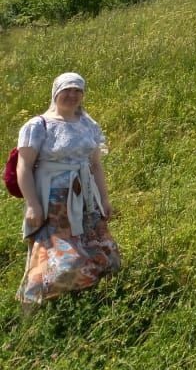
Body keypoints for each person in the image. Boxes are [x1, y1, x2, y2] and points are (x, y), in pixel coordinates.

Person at [15, 72, 120, 306]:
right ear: (56, 92)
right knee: (60, 259)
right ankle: (33, 305)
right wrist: (32, 204)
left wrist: (104, 199)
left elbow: (95, 165)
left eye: (77, 90)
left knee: (102, 252)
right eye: (67, 90)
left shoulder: (88, 124)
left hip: (85, 198)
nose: (72, 95)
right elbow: (24, 167)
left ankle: (86, 299)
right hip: (54, 201)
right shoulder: (38, 126)